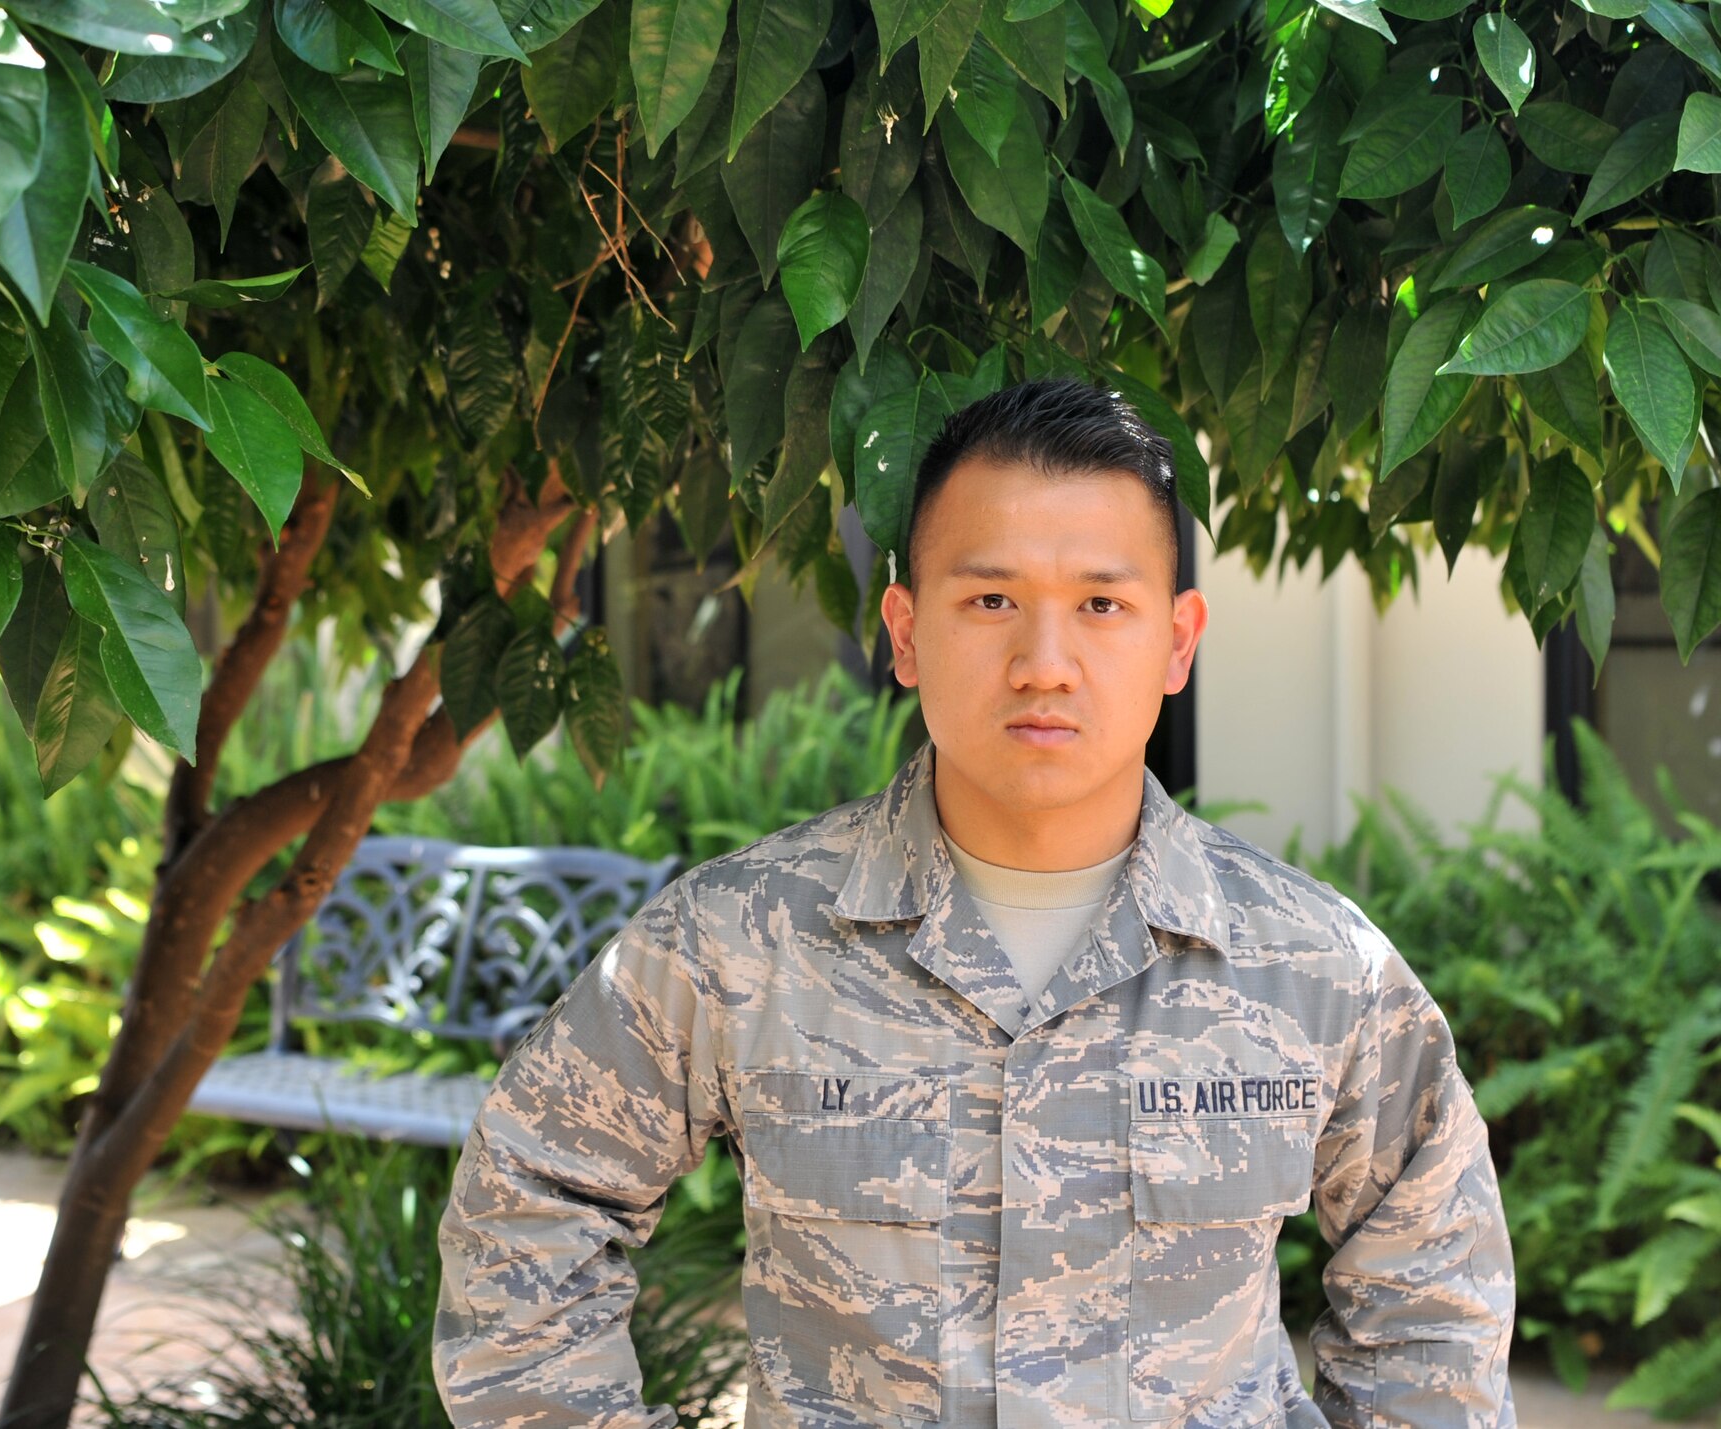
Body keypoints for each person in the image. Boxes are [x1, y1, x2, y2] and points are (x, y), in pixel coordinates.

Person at [432, 376, 1516, 1427]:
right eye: (989, 599)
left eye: (1101, 604)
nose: (1043, 663)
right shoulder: (738, 941)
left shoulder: (1318, 968)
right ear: (904, 632)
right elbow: (527, 1198)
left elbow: (1434, 1303)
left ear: (1176, 640)